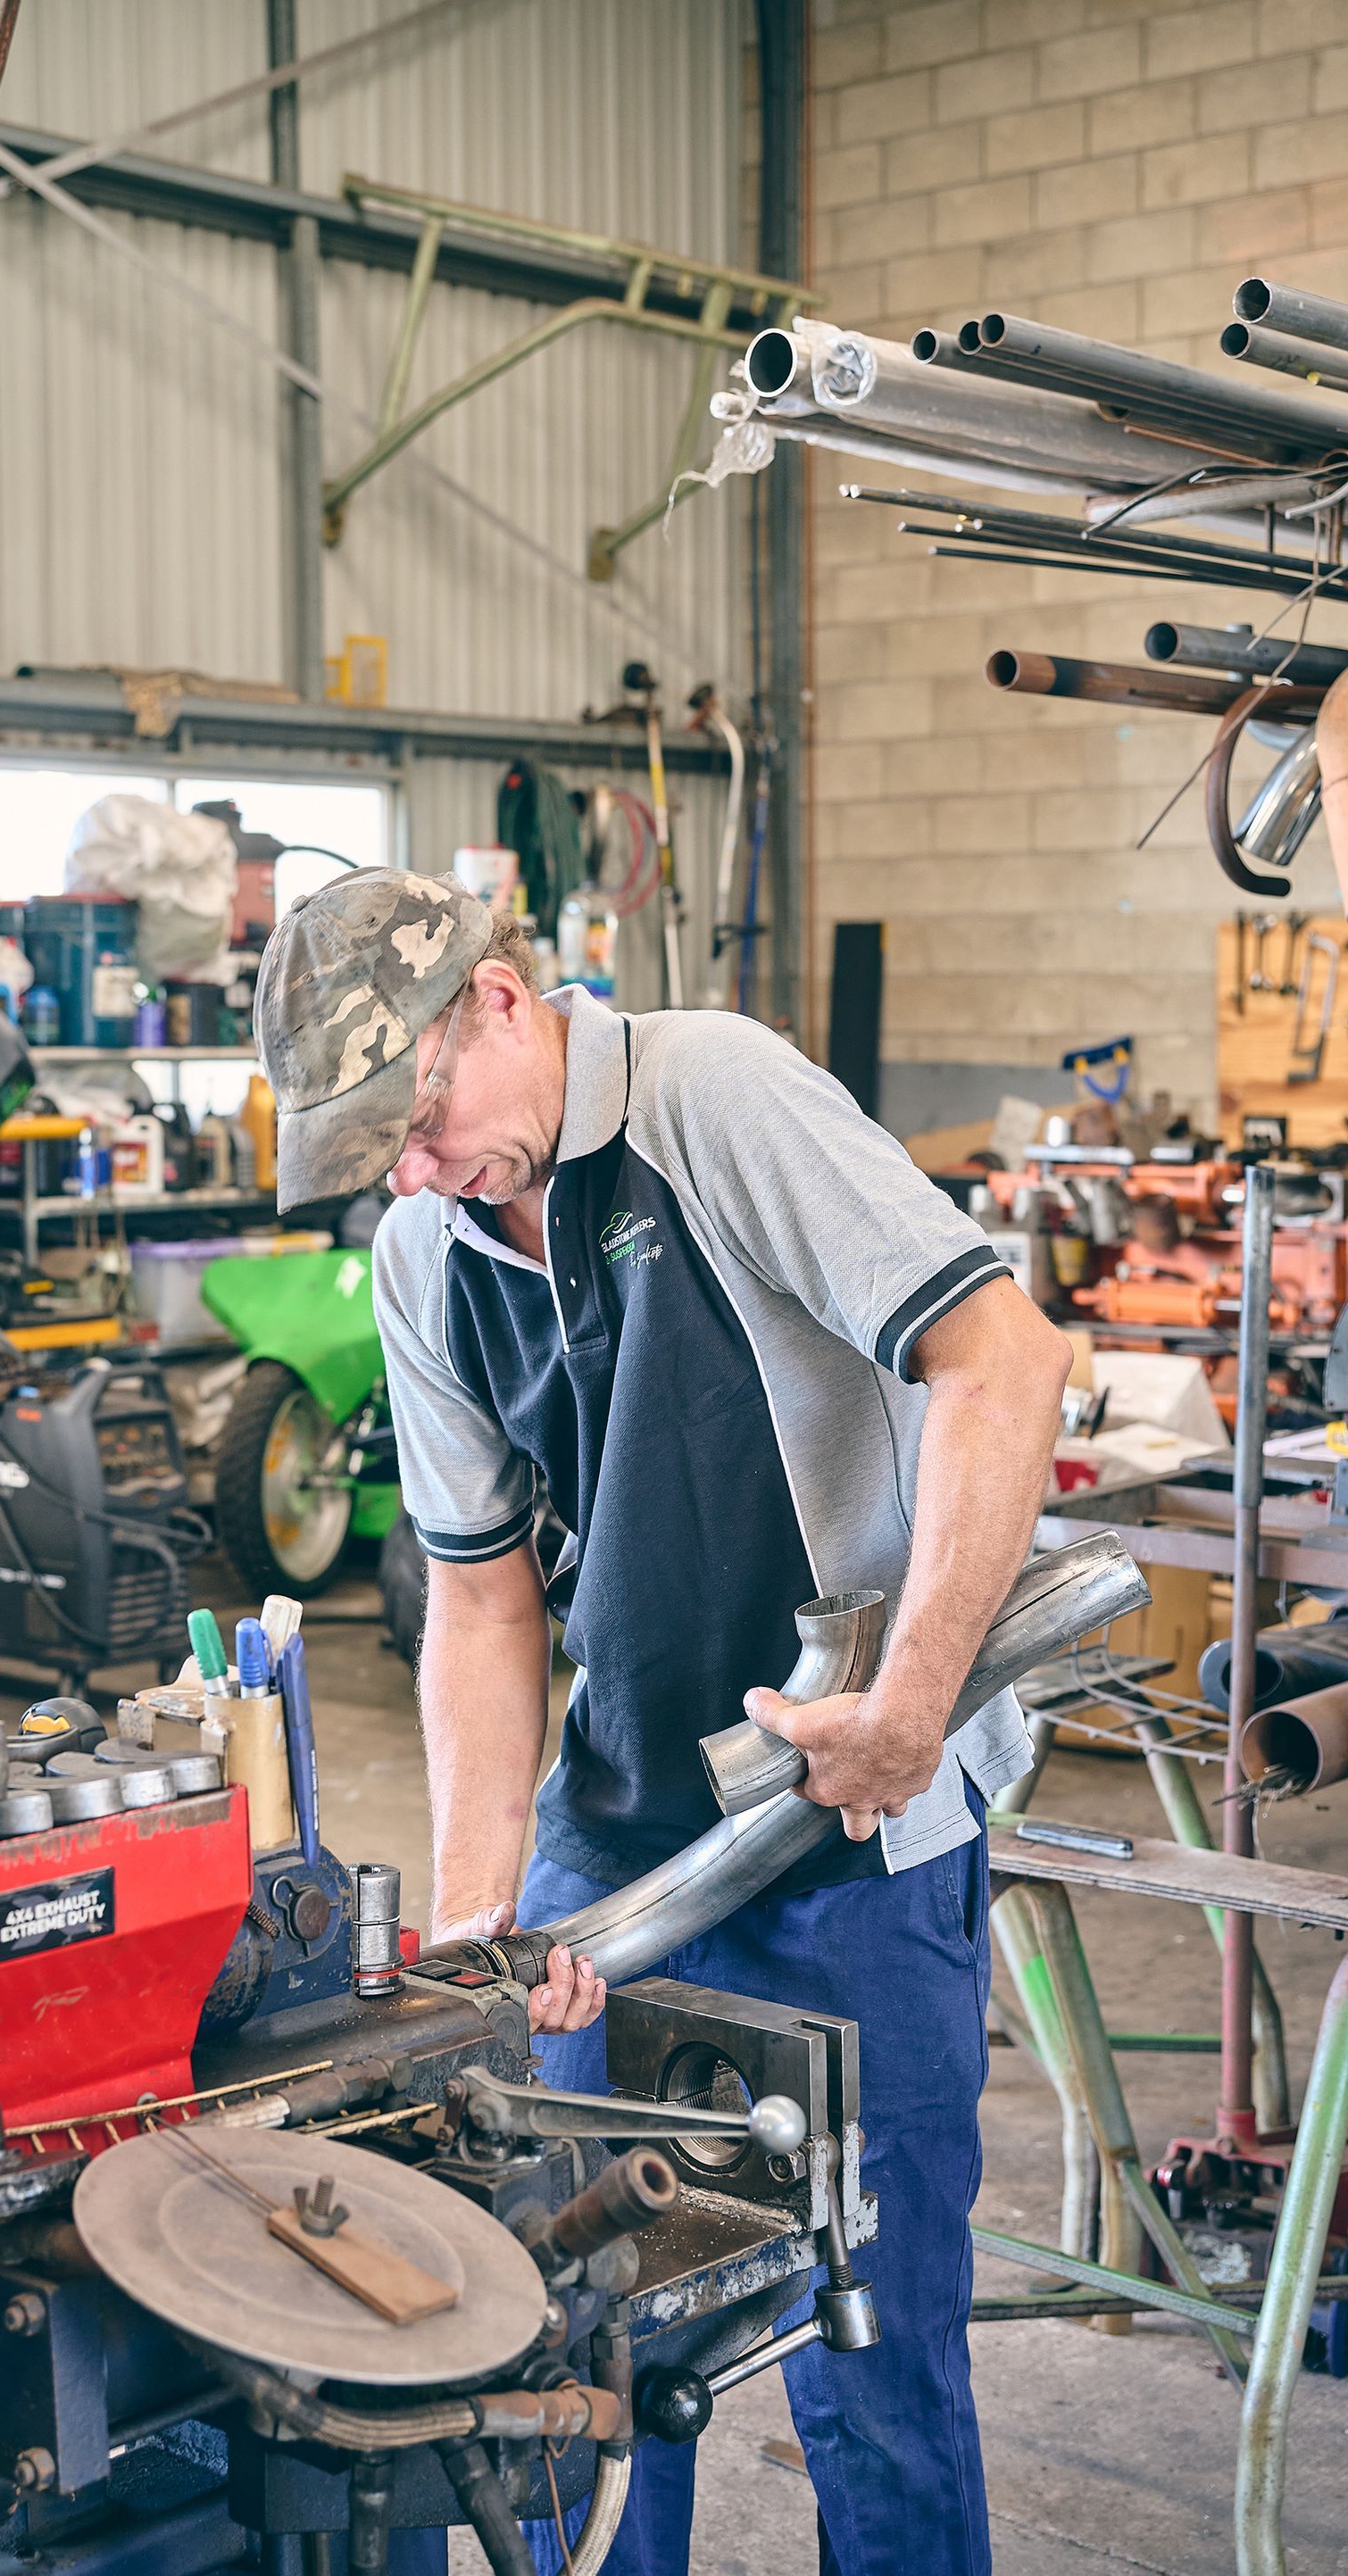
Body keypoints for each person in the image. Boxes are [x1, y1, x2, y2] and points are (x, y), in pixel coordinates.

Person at [254, 869, 1072, 2576]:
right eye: (375, 1160)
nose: (412, 1172)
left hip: (850, 1817)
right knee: (573, 2339)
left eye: (415, 1119)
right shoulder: (427, 1250)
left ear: (495, 999)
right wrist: (485, 1901)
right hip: (623, 1819)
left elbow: (1003, 1361)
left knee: (869, 2345)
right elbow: (482, 1597)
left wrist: (911, 1705)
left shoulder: (720, 1096)